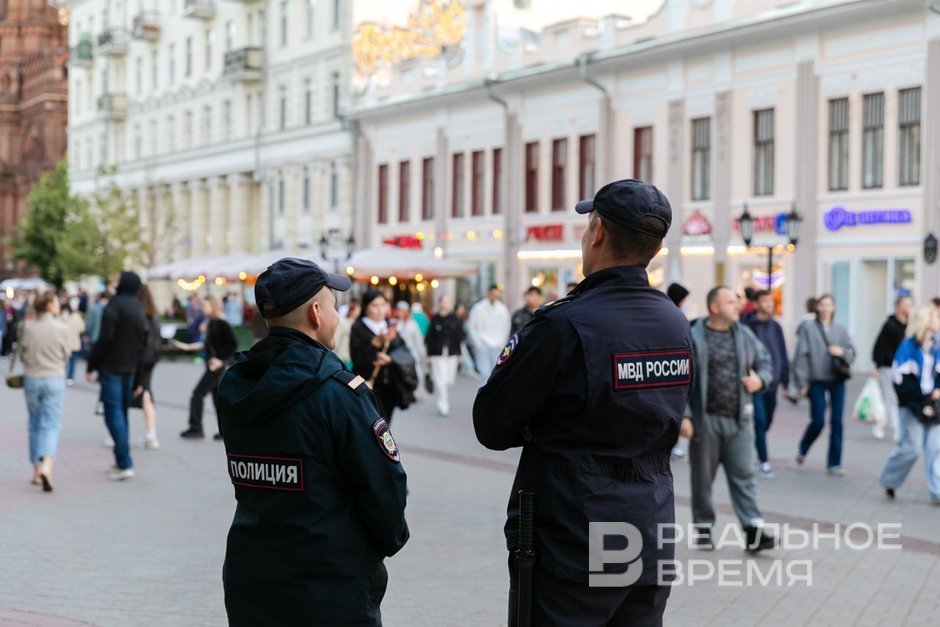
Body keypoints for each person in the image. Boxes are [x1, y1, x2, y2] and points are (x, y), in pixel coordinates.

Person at [474, 179, 693, 625]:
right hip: (649, 530)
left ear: (598, 233)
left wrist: (539, 421)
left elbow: (491, 423)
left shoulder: (563, 325)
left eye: (587, 225)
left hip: (573, 536)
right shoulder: (675, 323)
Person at [218, 258, 408, 625]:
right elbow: (385, 491)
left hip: (252, 578)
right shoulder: (340, 395)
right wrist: (381, 544)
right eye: (336, 308)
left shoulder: (237, 385)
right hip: (328, 586)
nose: (338, 317)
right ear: (317, 314)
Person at [684, 286, 776, 551]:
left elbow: (766, 363)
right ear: (715, 308)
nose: (738, 306)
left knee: (745, 475)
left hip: (739, 421)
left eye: (737, 301)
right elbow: (682, 381)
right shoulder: (693, 336)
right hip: (706, 420)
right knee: (702, 479)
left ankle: (753, 531)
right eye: (731, 302)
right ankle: (703, 527)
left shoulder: (745, 335)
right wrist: (686, 416)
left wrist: (760, 380)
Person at [86, 272, 149, 481]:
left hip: (112, 368)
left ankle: (124, 462)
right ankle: (122, 460)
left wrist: (91, 364)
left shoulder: (114, 306)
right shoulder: (138, 308)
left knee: (114, 415)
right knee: (122, 414)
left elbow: (104, 339)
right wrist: (140, 378)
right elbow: (143, 346)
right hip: (130, 369)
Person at [878, 305, 940, 505]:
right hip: (912, 405)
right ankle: (889, 480)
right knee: (911, 448)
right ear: (925, 321)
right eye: (934, 316)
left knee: (935, 448)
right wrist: (921, 398)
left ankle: (937, 491)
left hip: (935, 405)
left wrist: (936, 392)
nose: (938, 319)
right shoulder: (907, 346)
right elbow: (899, 380)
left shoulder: (937, 346)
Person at [792, 294, 856, 476]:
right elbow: (800, 356)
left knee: (837, 422)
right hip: (816, 380)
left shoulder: (840, 330)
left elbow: (852, 353)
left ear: (834, 307)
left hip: (837, 380)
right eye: (823, 304)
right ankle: (803, 447)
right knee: (818, 420)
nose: (826, 308)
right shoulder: (808, 329)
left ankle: (834, 463)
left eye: (830, 305)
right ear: (817, 307)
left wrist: (841, 351)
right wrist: (801, 383)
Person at [16, 290, 71, 492]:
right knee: (51, 424)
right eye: (55, 302)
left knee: (34, 424)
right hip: (54, 377)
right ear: (48, 304)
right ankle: (47, 465)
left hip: (32, 377)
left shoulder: (26, 327)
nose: (58, 305)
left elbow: (22, 354)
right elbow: (66, 354)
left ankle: (36, 471)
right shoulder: (61, 328)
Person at [174, 296, 237, 440]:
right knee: (217, 400)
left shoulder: (220, 322)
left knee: (197, 394)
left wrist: (220, 359)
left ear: (213, 307)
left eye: (205, 306)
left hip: (215, 367)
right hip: (212, 365)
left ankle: (196, 428)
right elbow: (206, 344)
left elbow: (232, 344)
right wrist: (186, 346)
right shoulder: (210, 323)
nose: (202, 308)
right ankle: (225, 431)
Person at [743, 290, 789, 478]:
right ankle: (764, 461)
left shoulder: (776, 326)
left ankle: (756, 443)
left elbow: (782, 352)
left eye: (771, 301)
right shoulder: (746, 325)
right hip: (756, 382)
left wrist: (786, 381)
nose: (769, 304)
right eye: (765, 301)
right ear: (756, 303)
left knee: (767, 419)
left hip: (774, 382)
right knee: (760, 420)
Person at [350, 290, 412, 425]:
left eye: (382, 305)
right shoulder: (358, 327)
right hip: (365, 384)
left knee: (385, 425)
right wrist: (375, 343)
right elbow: (357, 360)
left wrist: (390, 359)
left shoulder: (390, 326)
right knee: (368, 425)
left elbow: (404, 351)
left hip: (389, 385)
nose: (379, 310)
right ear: (365, 307)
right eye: (374, 305)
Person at [872, 295, 913, 441]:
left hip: (906, 368)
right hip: (888, 366)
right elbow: (880, 346)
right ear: (899, 306)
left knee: (900, 398)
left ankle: (887, 424)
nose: (909, 307)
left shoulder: (912, 325)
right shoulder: (890, 325)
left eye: (911, 304)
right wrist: (877, 365)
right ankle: (896, 428)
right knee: (891, 397)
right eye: (906, 304)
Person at [132, 285, 162, 450]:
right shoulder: (154, 316)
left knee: (144, 395)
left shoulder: (141, 317)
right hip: (150, 361)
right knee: (146, 395)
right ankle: (151, 434)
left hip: (141, 362)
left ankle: (151, 435)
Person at [425, 295, 464, 416]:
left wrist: (459, 354)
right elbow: (429, 338)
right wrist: (429, 354)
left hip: (451, 353)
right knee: (441, 380)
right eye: (443, 302)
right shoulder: (435, 318)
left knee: (447, 380)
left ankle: (441, 398)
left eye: (447, 302)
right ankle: (443, 405)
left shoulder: (454, 319)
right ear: (439, 303)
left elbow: (459, 337)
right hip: (437, 353)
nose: (445, 304)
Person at [467, 284, 511, 383]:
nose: (494, 297)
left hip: (497, 345)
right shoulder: (478, 308)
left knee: (496, 373)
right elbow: (472, 326)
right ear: (488, 293)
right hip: (483, 344)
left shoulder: (502, 309)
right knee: (484, 373)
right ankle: (482, 396)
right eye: (492, 294)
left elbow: (506, 327)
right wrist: (477, 343)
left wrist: (502, 342)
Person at [395, 301, 427, 396]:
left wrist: (422, 354)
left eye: (401, 310)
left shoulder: (412, 324)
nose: (399, 312)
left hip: (412, 353)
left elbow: (418, 340)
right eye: (398, 310)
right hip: (399, 353)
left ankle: (416, 391)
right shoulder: (396, 323)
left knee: (417, 372)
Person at [59, 301, 86, 386]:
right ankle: (69, 378)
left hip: (63, 342)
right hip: (74, 342)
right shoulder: (76, 317)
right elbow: (82, 328)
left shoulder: (60, 316)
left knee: (62, 360)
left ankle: (61, 376)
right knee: (72, 361)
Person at [333, 298, 360, 370]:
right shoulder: (344, 323)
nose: (358, 311)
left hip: (353, 359)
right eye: (357, 309)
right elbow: (336, 340)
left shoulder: (357, 324)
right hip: (343, 359)